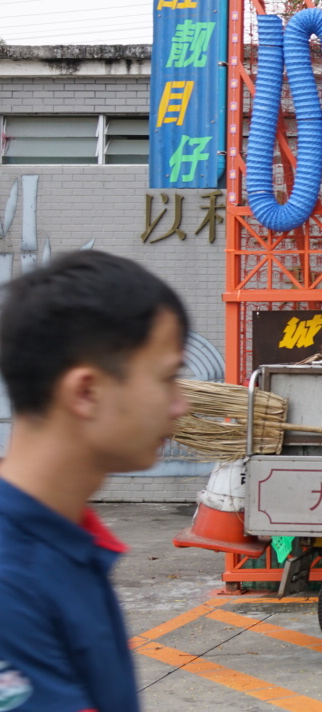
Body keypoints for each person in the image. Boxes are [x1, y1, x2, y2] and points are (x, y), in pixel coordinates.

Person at [0, 251, 190, 712]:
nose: (180, 405)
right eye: (168, 379)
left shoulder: (67, 544)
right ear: (86, 392)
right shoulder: (11, 584)